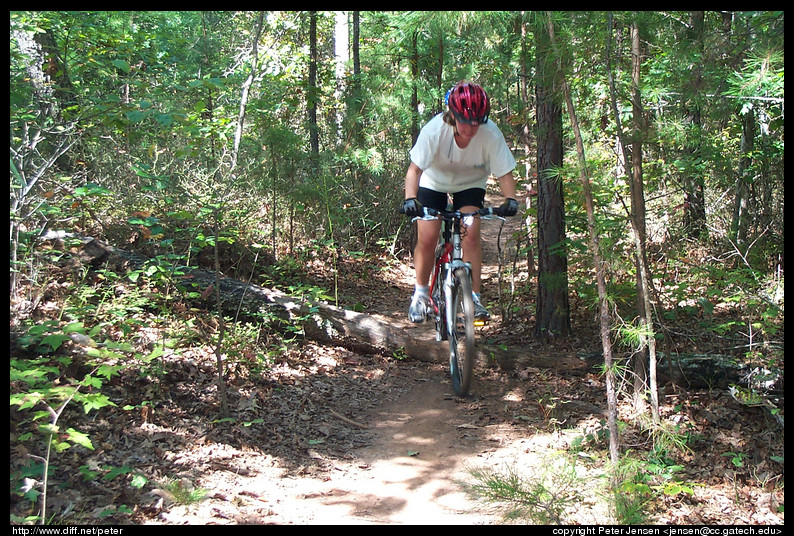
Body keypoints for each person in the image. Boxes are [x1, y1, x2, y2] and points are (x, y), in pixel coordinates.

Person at [402, 81, 519, 323]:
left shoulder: (490, 133)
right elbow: (414, 171)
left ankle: (473, 298)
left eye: (477, 121)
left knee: (471, 232)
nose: (471, 127)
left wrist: (510, 200)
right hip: (433, 182)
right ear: (452, 116)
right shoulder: (435, 131)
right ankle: (421, 294)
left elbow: (505, 173)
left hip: (470, 184)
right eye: (465, 121)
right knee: (428, 236)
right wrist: (410, 199)